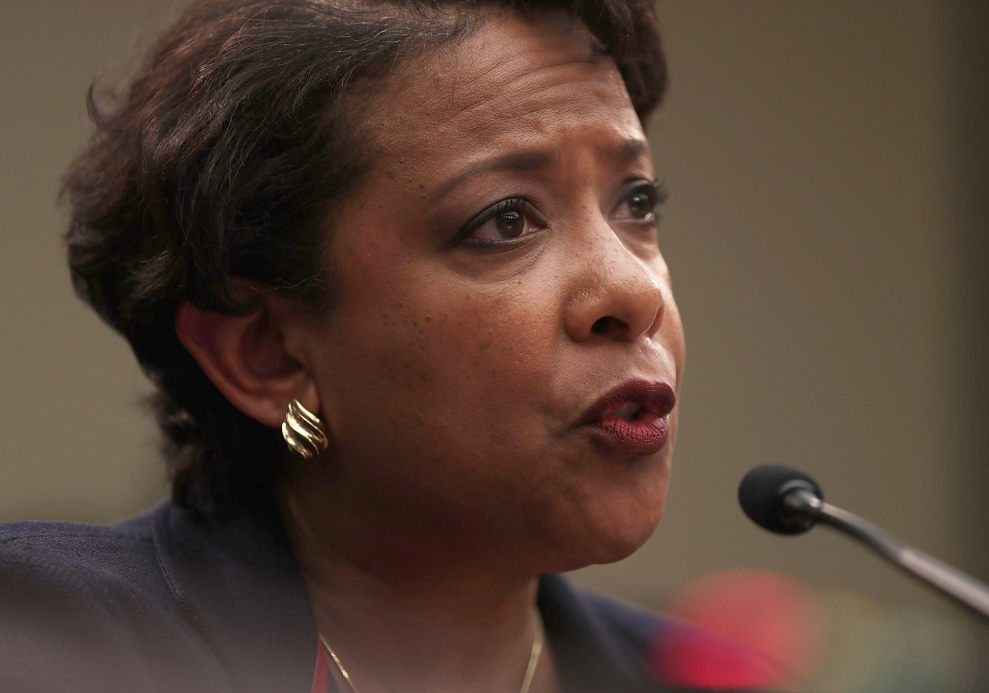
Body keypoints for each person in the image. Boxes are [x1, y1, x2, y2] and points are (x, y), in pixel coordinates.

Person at [0, 1, 747, 691]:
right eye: (506, 221)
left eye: (636, 202)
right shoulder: (47, 644)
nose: (635, 292)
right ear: (270, 354)